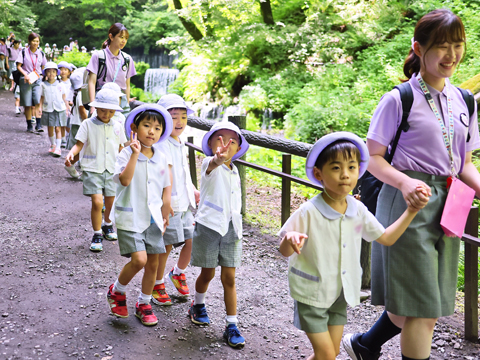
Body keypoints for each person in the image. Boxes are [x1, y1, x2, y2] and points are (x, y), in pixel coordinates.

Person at [342, 9, 480, 360]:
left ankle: (365, 344)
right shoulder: (399, 99)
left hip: (450, 203)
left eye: (458, 45)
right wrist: (404, 183)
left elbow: (463, 164)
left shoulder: (464, 101)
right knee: (423, 310)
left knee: (418, 302)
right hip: (407, 203)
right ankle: (368, 345)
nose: (451, 55)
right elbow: (371, 158)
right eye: (441, 46)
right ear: (419, 49)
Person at [279, 132, 429, 360]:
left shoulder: (357, 210)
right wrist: (290, 240)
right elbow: (284, 250)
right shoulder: (308, 211)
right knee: (327, 354)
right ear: (319, 174)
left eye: (351, 167)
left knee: (332, 353)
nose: (345, 175)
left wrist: (411, 211)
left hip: (339, 295)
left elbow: (386, 238)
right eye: (336, 168)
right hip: (311, 294)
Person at [106, 104, 173, 327]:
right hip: (130, 217)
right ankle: (117, 290)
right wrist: (134, 154)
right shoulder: (125, 154)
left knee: (153, 264)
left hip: (153, 218)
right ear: (135, 128)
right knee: (140, 260)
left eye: (157, 127)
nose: (151, 131)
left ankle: (144, 303)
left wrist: (166, 210)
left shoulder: (161, 157)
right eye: (147, 125)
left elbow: (165, 186)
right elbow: (124, 180)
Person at [188, 121, 249, 349]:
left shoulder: (235, 171)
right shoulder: (208, 164)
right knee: (208, 273)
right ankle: (198, 305)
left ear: (239, 146)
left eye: (232, 140)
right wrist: (217, 159)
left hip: (232, 228)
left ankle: (231, 324)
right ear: (211, 143)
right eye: (220, 139)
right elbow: (212, 165)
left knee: (230, 278)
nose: (226, 144)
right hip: (209, 226)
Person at [64, 89, 127, 252]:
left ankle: (107, 225)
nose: (107, 114)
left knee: (111, 201)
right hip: (93, 168)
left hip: (112, 169)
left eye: (111, 111)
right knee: (98, 202)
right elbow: (79, 144)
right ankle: (97, 233)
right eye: (103, 110)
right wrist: (71, 153)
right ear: (96, 108)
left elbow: (121, 148)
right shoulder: (87, 124)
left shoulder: (118, 126)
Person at [151, 94, 200, 306]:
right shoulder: (162, 144)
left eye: (183, 117)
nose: (179, 122)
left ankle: (178, 272)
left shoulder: (180, 142)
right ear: (162, 120)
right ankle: (157, 283)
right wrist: (166, 201)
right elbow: (164, 175)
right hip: (169, 204)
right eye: (173, 117)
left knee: (192, 238)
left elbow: (183, 172)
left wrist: (193, 189)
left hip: (184, 201)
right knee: (167, 244)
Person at [86, 23, 136, 114]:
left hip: (120, 103)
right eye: (121, 37)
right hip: (102, 101)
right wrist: (93, 105)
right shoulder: (98, 56)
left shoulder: (127, 59)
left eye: (126, 38)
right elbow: (92, 82)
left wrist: (127, 103)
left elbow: (127, 86)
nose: (124, 41)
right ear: (111, 37)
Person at [16, 32, 47, 133]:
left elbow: (44, 67)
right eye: (33, 41)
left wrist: (42, 76)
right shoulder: (24, 52)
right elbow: (19, 66)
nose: (35, 43)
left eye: (37, 41)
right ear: (29, 41)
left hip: (37, 79)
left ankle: (38, 124)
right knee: (27, 103)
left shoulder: (41, 53)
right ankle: (29, 125)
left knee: (37, 100)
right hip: (26, 79)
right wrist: (25, 75)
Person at [38, 62, 70, 157]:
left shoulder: (60, 85)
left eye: (53, 71)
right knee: (50, 127)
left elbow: (64, 97)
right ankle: (53, 144)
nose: (51, 74)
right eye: (49, 72)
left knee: (58, 128)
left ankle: (58, 148)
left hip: (60, 108)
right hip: (48, 108)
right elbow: (42, 97)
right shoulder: (43, 85)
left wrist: (67, 107)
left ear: (56, 73)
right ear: (45, 74)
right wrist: (40, 107)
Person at [64, 70, 87, 179]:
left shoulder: (78, 93)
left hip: (77, 122)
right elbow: (82, 110)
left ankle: (76, 166)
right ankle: (71, 164)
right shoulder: (82, 94)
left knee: (81, 147)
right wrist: (87, 123)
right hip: (81, 124)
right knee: (83, 147)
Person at [58, 61, 74, 148]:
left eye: (65, 70)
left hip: (69, 105)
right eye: (61, 69)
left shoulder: (71, 82)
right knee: (62, 123)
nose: (63, 71)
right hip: (60, 104)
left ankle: (68, 136)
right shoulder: (57, 82)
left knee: (69, 123)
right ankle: (63, 138)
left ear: (69, 72)